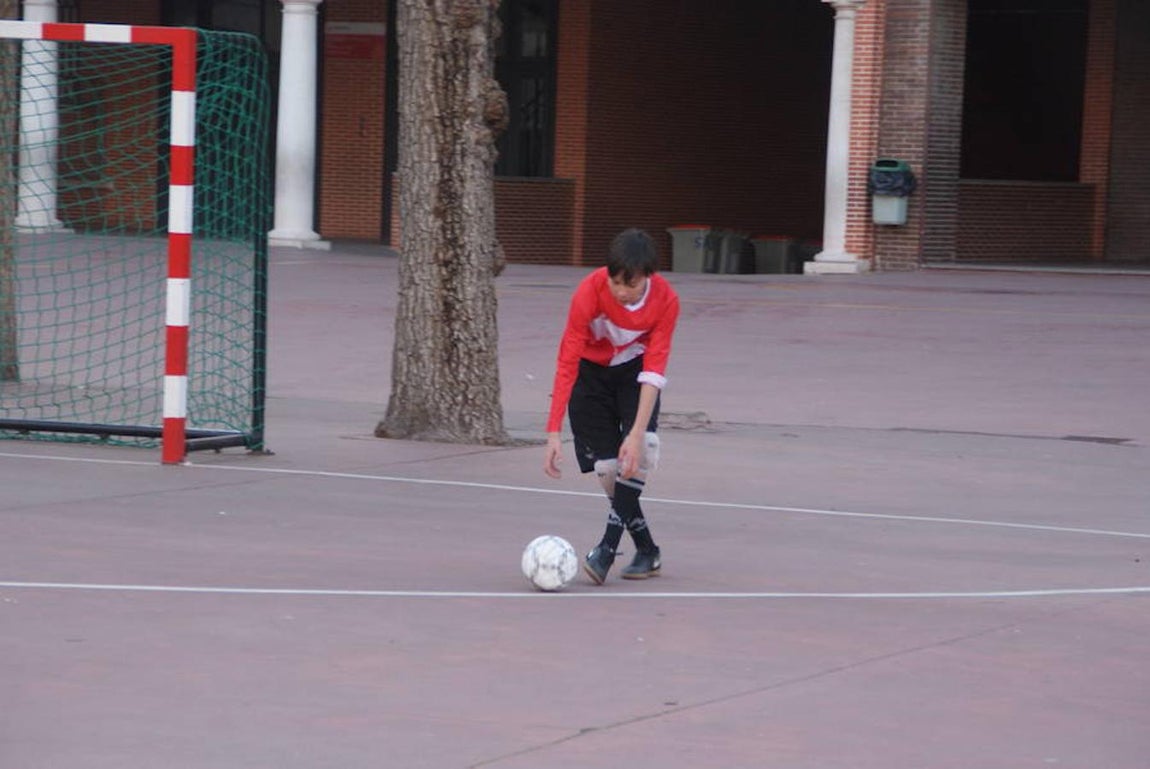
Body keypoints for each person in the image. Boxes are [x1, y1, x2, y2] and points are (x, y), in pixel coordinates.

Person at [543, 228, 681, 584]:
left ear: (648, 277)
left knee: (641, 451)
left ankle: (606, 547)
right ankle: (647, 550)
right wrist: (553, 431)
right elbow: (567, 361)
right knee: (608, 470)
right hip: (591, 376)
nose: (620, 291)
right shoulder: (588, 293)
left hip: (635, 372)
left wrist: (636, 432)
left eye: (630, 284)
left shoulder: (666, 300)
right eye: (615, 281)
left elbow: (654, 370)